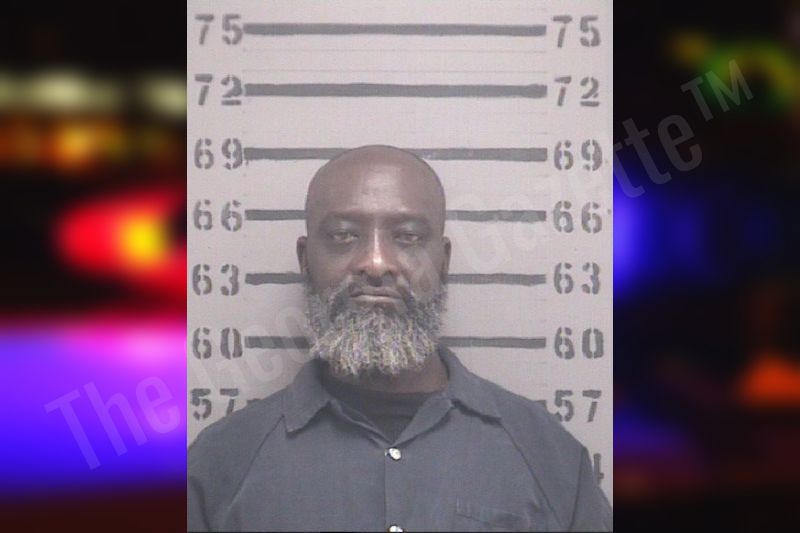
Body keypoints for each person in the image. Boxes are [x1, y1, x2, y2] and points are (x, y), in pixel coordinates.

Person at [187, 145, 613, 531]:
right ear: (305, 260)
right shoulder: (220, 464)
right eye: (343, 236)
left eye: (408, 237)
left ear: (443, 261)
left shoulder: (547, 456)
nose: (375, 263)